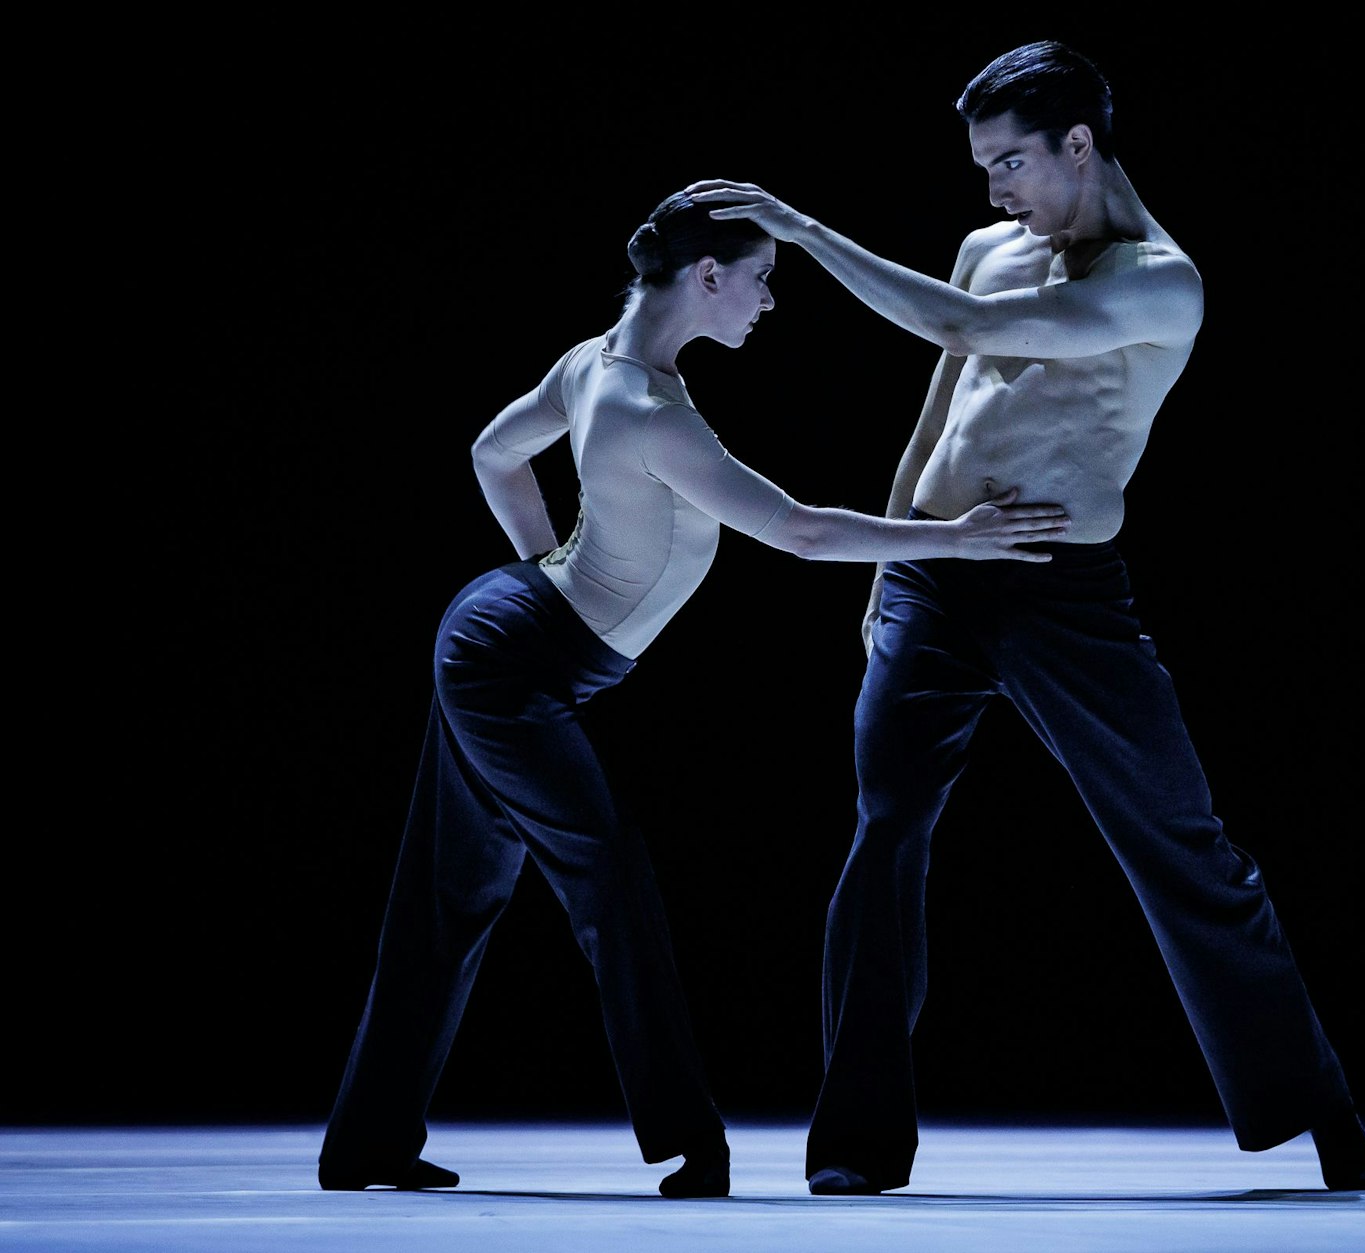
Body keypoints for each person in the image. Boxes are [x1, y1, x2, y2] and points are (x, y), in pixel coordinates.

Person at [687, 39, 1365, 1196]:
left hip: (1061, 591)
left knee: (1180, 841)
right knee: (883, 835)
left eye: (1010, 162)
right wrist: (887, 559)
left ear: (1080, 145)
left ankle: (1314, 1110)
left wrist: (807, 233)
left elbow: (968, 333)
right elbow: (939, 409)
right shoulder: (987, 250)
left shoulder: (1159, 280)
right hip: (934, 578)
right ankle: (855, 1143)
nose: (994, 191)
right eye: (982, 167)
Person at [316, 189, 1070, 1199]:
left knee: (452, 897)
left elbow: (491, 450)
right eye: (759, 279)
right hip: (508, 661)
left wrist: (546, 565)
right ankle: (690, 1144)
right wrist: (955, 537)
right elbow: (798, 529)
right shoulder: (636, 404)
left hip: (509, 641)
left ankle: (364, 1143)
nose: (767, 301)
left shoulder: (596, 363)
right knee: (609, 881)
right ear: (705, 276)